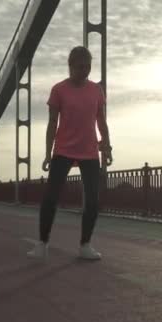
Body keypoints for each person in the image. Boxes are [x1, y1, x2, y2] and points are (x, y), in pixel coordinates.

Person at [27, 46, 112, 260]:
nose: (85, 71)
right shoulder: (59, 90)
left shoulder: (96, 90)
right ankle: (42, 244)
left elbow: (101, 121)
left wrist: (107, 147)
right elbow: (51, 124)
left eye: (88, 67)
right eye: (80, 67)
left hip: (90, 151)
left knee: (93, 200)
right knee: (50, 198)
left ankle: (85, 245)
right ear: (70, 66)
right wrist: (48, 154)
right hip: (63, 150)